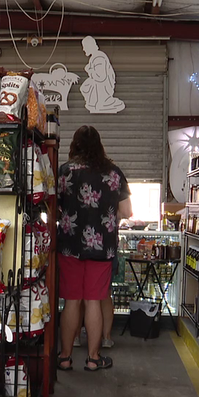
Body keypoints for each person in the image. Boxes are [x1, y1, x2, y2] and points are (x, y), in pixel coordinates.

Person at [57, 126, 132, 371]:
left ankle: (65, 357)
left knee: (71, 301)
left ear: (74, 145)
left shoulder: (64, 172)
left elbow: (52, 208)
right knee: (93, 301)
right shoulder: (113, 173)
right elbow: (126, 211)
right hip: (102, 248)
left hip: (69, 246)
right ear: (99, 145)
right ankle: (93, 358)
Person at [79, 36, 126, 114]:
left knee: (86, 88)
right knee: (84, 88)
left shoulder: (99, 58)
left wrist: (89, 70)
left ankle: (102, 101)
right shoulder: (94, 57)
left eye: (84, 47)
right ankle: (96, 102)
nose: (83, 49)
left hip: (103, 85)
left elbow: (100, 77)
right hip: (97, 83)